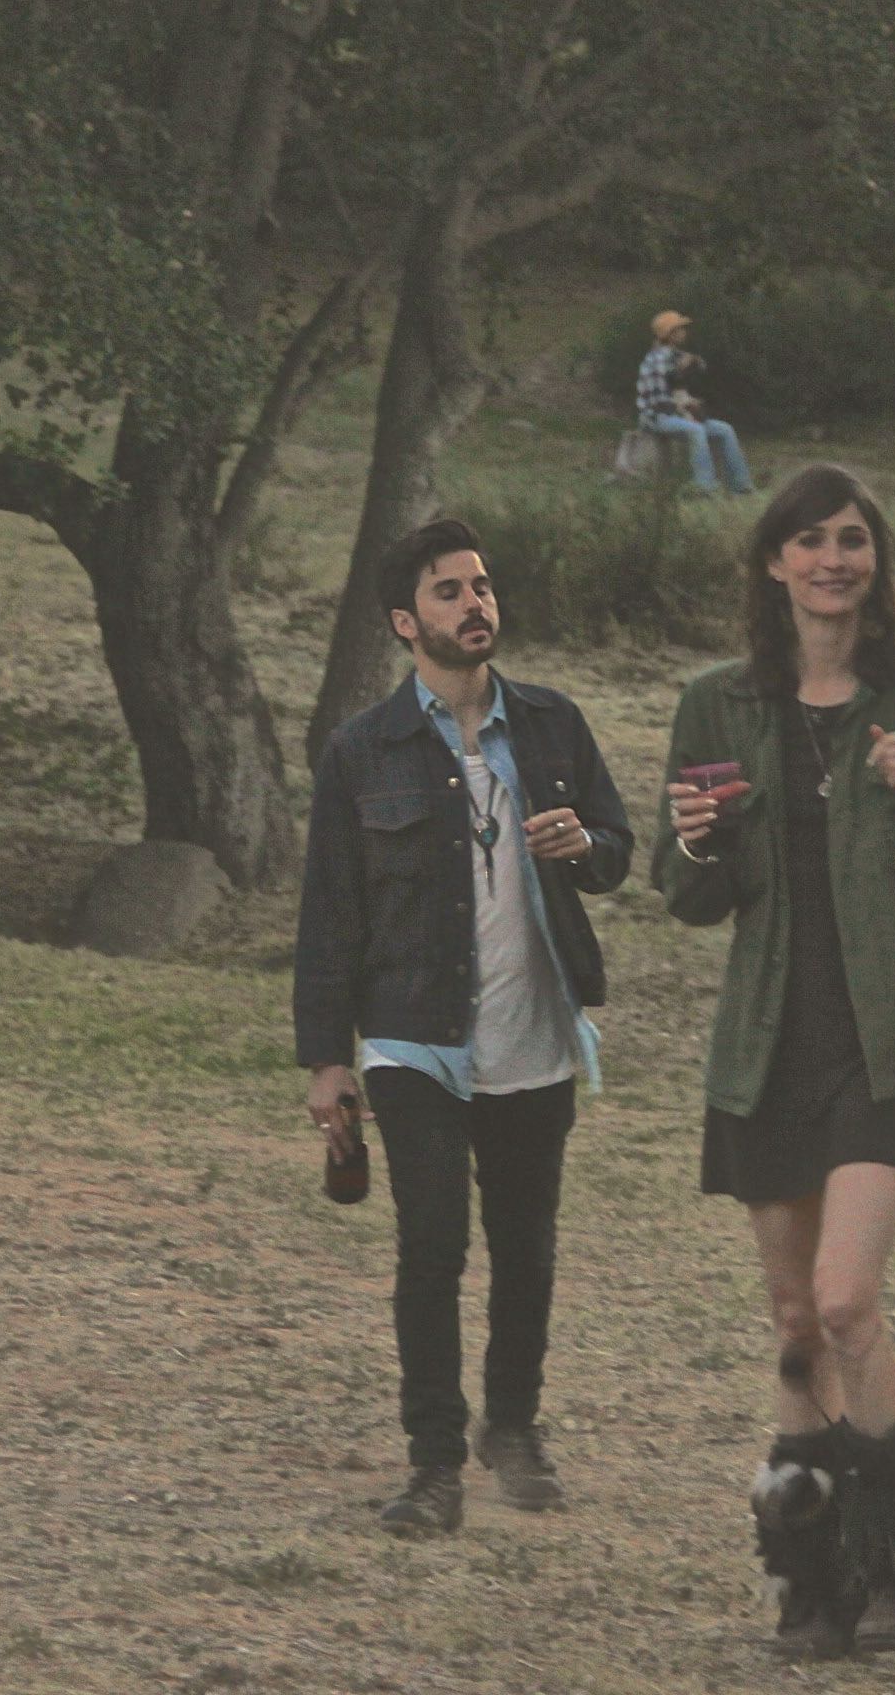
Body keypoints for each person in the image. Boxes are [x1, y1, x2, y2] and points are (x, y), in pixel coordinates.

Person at [654, 464, 895, 1659]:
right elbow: (689, 895)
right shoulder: (718, 704)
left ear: (875, 559)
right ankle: (812, 1578)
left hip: (884, 1041)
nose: (832, 561)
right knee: (798, 1321)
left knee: (848, 1298)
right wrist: (698, 843)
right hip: (766, 1044)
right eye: (808, 542)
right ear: (773, 564)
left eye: (851, 540)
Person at [292, 518, 633, 1537]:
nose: (475, 603)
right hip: (414, 1038)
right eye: (448, 591)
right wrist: (327, 1060)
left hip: (534, 1033)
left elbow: (616, 850)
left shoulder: (554, 724)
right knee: (432, 1246)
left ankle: (512, 1427)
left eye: (480, 585)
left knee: (526, 1250)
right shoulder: (362, 750)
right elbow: (329, 915)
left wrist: (585, 846)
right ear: (406, 622)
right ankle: (434, 1462)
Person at [637, 310, 755, 496]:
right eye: (680, 329)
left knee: (725, 430)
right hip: (656, 417)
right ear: (671, 334)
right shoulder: (658, 358)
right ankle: (705, 487)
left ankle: (741, 486)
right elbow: (658, 403)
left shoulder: (674, 354)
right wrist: (686, 405)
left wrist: (692, 363)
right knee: (697, 430)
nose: (685, 332)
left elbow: (700, 366)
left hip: (677, 414)